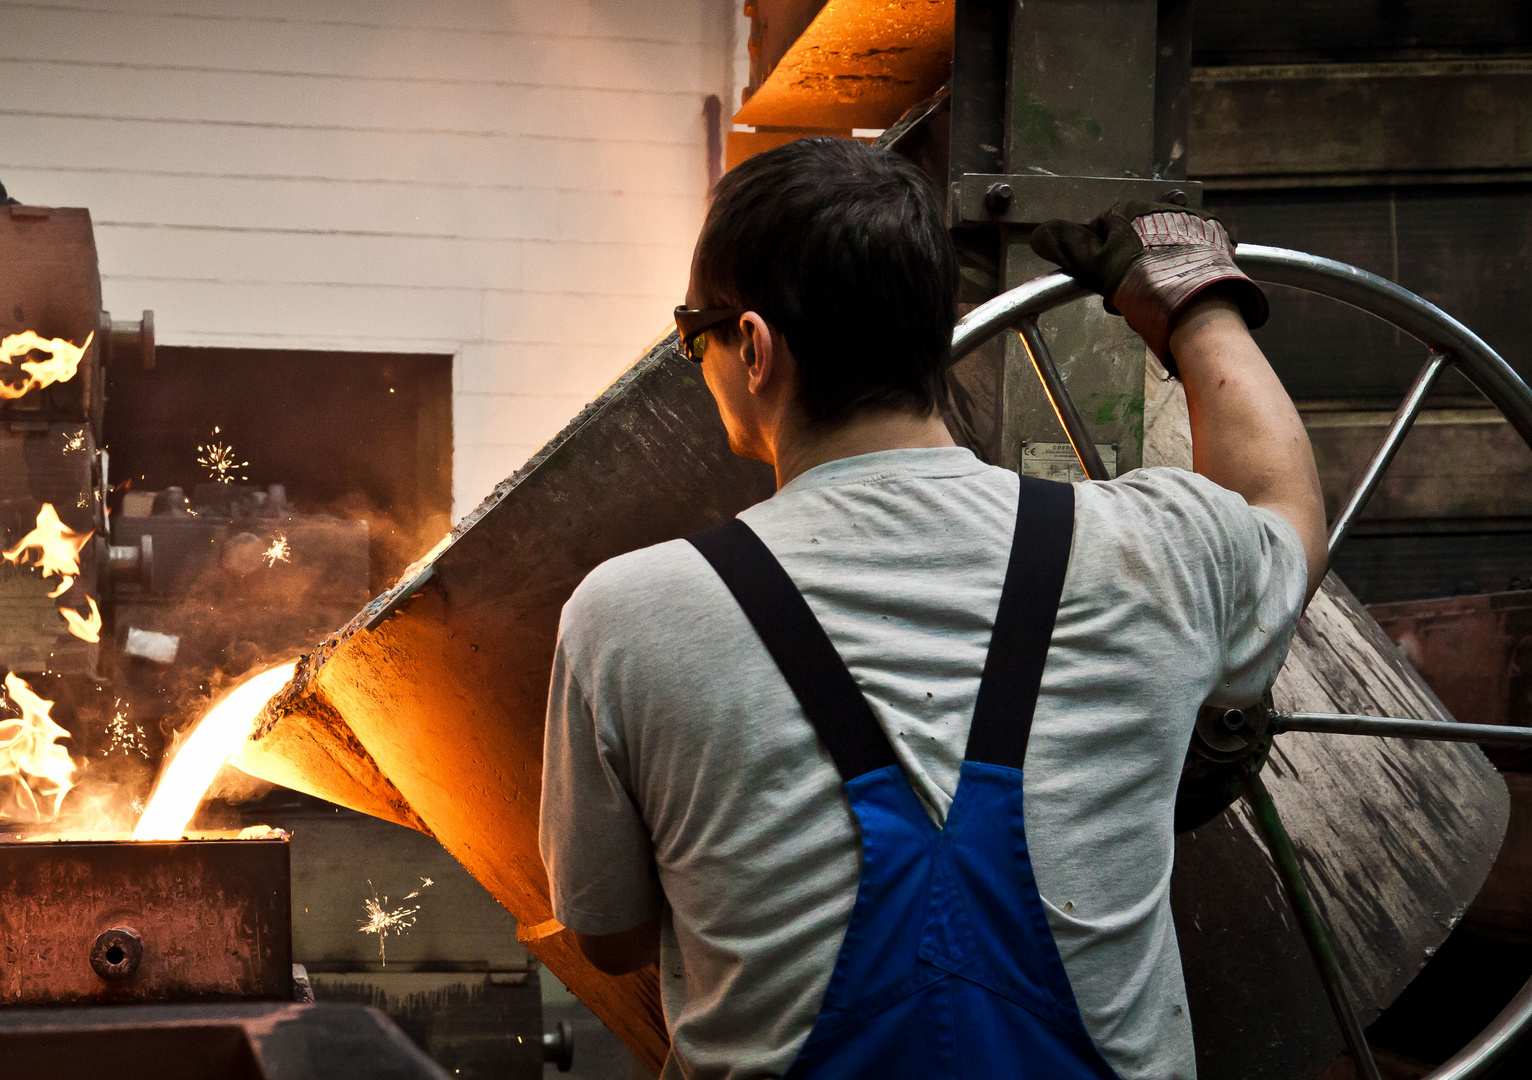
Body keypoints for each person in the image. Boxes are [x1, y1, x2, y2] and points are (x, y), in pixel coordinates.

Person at [538, 136, 1322, 1080]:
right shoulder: (1152, 551)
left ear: (753, 347)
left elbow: (611, 935)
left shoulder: (625, 617)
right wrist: (1195, 299)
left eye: (692, 330)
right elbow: (1283, 510)